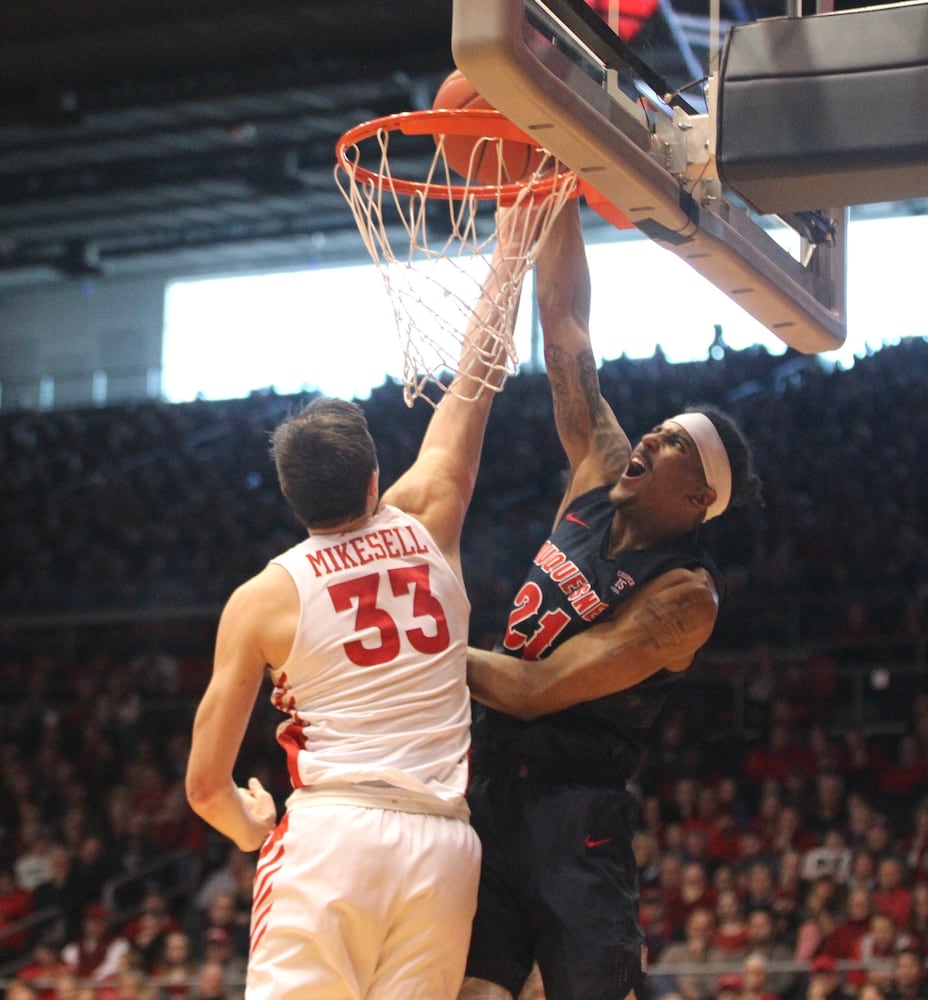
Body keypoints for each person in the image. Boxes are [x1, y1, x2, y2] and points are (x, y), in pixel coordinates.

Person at [185, 206, 535, 1000]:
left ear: (289, 498)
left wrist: (251, 820)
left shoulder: (262, 599)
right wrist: (514, 241)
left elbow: (205, 786)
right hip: (444, 844)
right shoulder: (430, 513)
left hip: (334, 831)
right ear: (376, 480)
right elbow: (476, 377)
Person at [460, 197, 762, 1000]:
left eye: (673, 445)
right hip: (489, 787)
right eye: (659, 429)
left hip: (574, 812)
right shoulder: (600, 469)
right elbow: (565, 326)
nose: (651, 439)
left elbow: (533, 690)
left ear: (699, 497)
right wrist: (555, 175)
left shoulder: (685, 598)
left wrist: (417, 644)